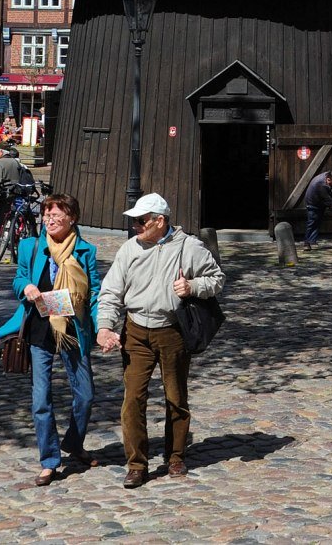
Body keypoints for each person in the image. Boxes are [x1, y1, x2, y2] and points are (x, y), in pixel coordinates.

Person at [96, 193, 225, 489]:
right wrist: (105, 326)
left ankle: (176, 456)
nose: (135, 226)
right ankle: (137, 464)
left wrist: (193, 286)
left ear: (160, 221)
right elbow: (111, 292)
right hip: (136, 332)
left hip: (172, 331)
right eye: (134, 221)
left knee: (176, 397)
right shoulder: (129, 249)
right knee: (132, 400)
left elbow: (217, 279)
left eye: (141, 221)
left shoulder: (189, 247)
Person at [0, 193, 100, 486]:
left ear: (72, 219)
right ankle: (50, 461)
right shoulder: (31, 246)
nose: (50, 220)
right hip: (39, 331)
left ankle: (74, 444)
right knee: (41, 400)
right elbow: (18, 279)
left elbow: (94, 293)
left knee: (86, 395)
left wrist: (101, 327)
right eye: (47, 215)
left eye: (57, 216)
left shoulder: (85, 250)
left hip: (73, 331)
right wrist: (25, 286)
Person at [0, 142, 31, 252]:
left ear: (1, 152)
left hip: (2, 196)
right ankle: (11, 243)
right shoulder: (15, 163)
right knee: (12, 221)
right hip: (15, 195)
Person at [302, 170, 332, 250]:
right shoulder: (320, 184)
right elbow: (327, 199)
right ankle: (307, 243)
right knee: (312, 221)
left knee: (318, 221)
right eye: (330, 182)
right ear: (327, 178)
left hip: (321, 202)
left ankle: (312, 241)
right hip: (312, 201)